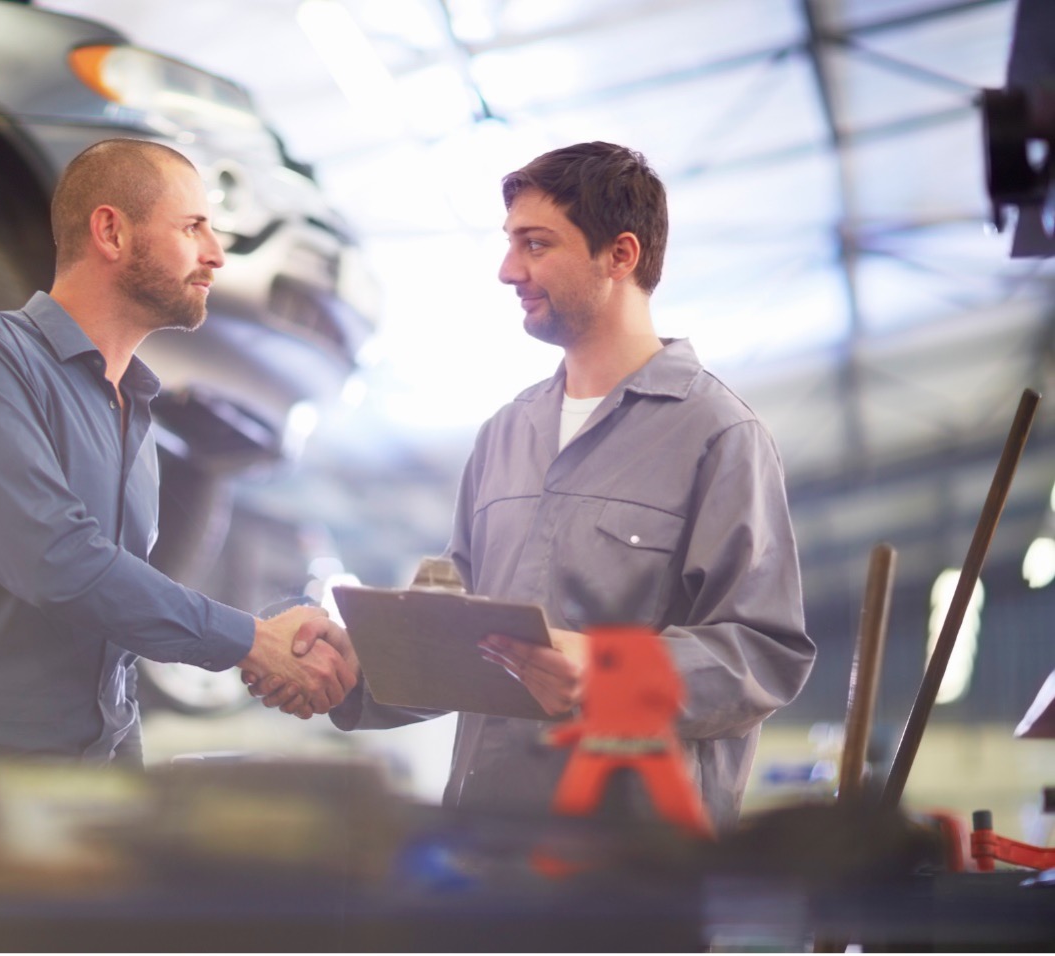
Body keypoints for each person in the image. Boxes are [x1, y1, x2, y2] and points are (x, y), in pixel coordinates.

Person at [251, 142, 815, 832]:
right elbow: (460, 644)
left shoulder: (718, 436)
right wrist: (347, 664)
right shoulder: (505, 433)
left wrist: (612, 672)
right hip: (485, 849)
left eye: (536, 245)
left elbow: (764, 654)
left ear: (621, 255)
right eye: (510, 244)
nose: (507, 270)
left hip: (632, 868)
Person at [0, 139, 356, 827]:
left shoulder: (135, 413)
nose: (215, 254)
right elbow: (53, 561)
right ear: (111, 231)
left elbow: (113, 628)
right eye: (193, 228)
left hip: (83, 806)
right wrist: (252, 640)